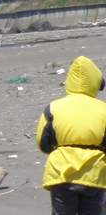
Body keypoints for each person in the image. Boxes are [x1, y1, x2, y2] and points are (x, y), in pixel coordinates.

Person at [37, 56, 106, 215]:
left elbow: (43, 144)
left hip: (61, 172)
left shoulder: (53, 108)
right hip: (93, 173)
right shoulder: (103, 109)